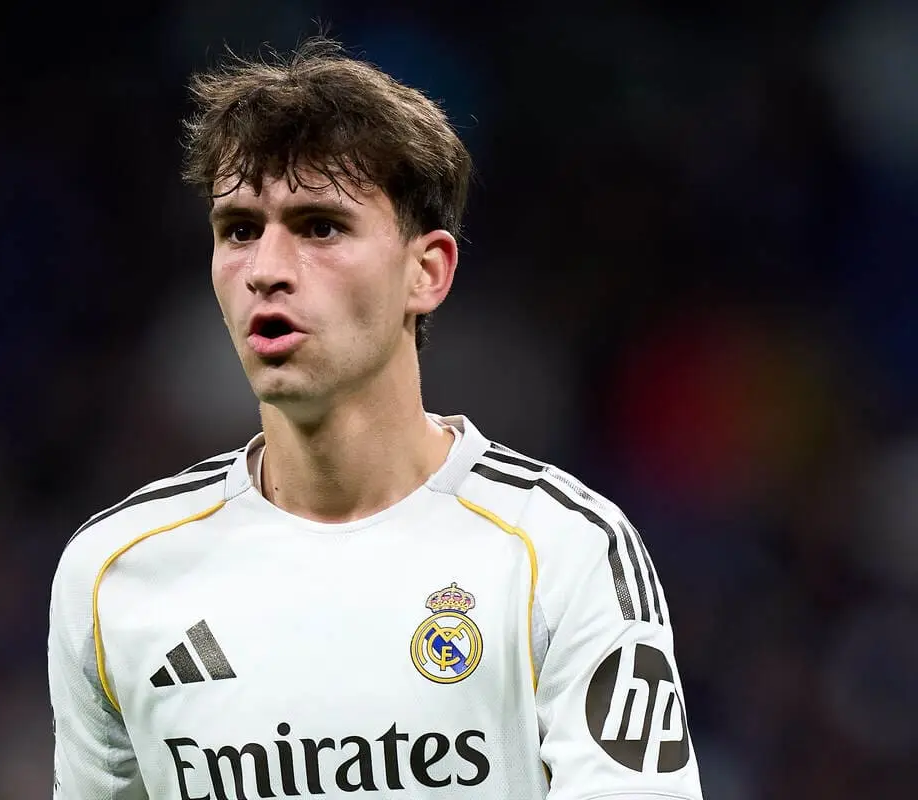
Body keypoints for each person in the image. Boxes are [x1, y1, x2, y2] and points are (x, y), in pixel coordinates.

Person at [49, 36, 705, 800]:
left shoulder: (562, 553)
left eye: (320, 227)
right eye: (238, 229)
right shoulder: (114, 571)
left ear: (426, 272)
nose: (266, 268)